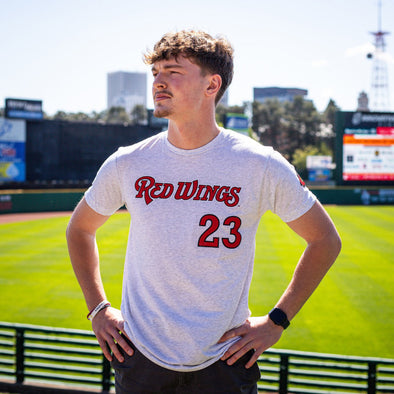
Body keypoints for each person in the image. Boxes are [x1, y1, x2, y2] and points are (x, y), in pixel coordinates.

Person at [66, 30, 341, 394]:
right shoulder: (128, 162)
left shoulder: (260, 164)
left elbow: (325, 240)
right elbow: (80, 229)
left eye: (173, 72)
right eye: (156, 73)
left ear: (212, 84)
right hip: (141, 359)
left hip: (225, 362)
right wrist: (98, 309)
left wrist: (276, 321)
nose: (159, 82)